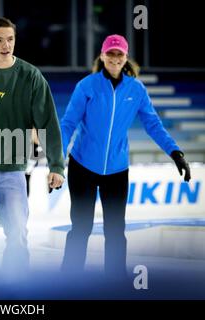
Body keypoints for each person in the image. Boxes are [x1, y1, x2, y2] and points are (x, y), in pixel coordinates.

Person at [60, 34, 191, 279]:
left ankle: (115, 282)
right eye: (110, 53)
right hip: (82, 166)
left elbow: (153, 124)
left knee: (115, 229)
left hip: (117, 170)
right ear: (102, 55)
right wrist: (58, 159)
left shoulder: (136, 89)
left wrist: (175, 152)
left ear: (125, 57)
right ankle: (69, 279)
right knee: (81, 227)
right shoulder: (87, 86)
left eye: (119, 54)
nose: (115, 58)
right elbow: (68, 123)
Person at [0, 17, 65, 276]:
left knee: (18, 233)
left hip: (12, 169)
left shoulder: (30, 76)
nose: (6, 45)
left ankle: (14, 284)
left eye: (10, 39)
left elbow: (48, 123)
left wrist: (56, 164)